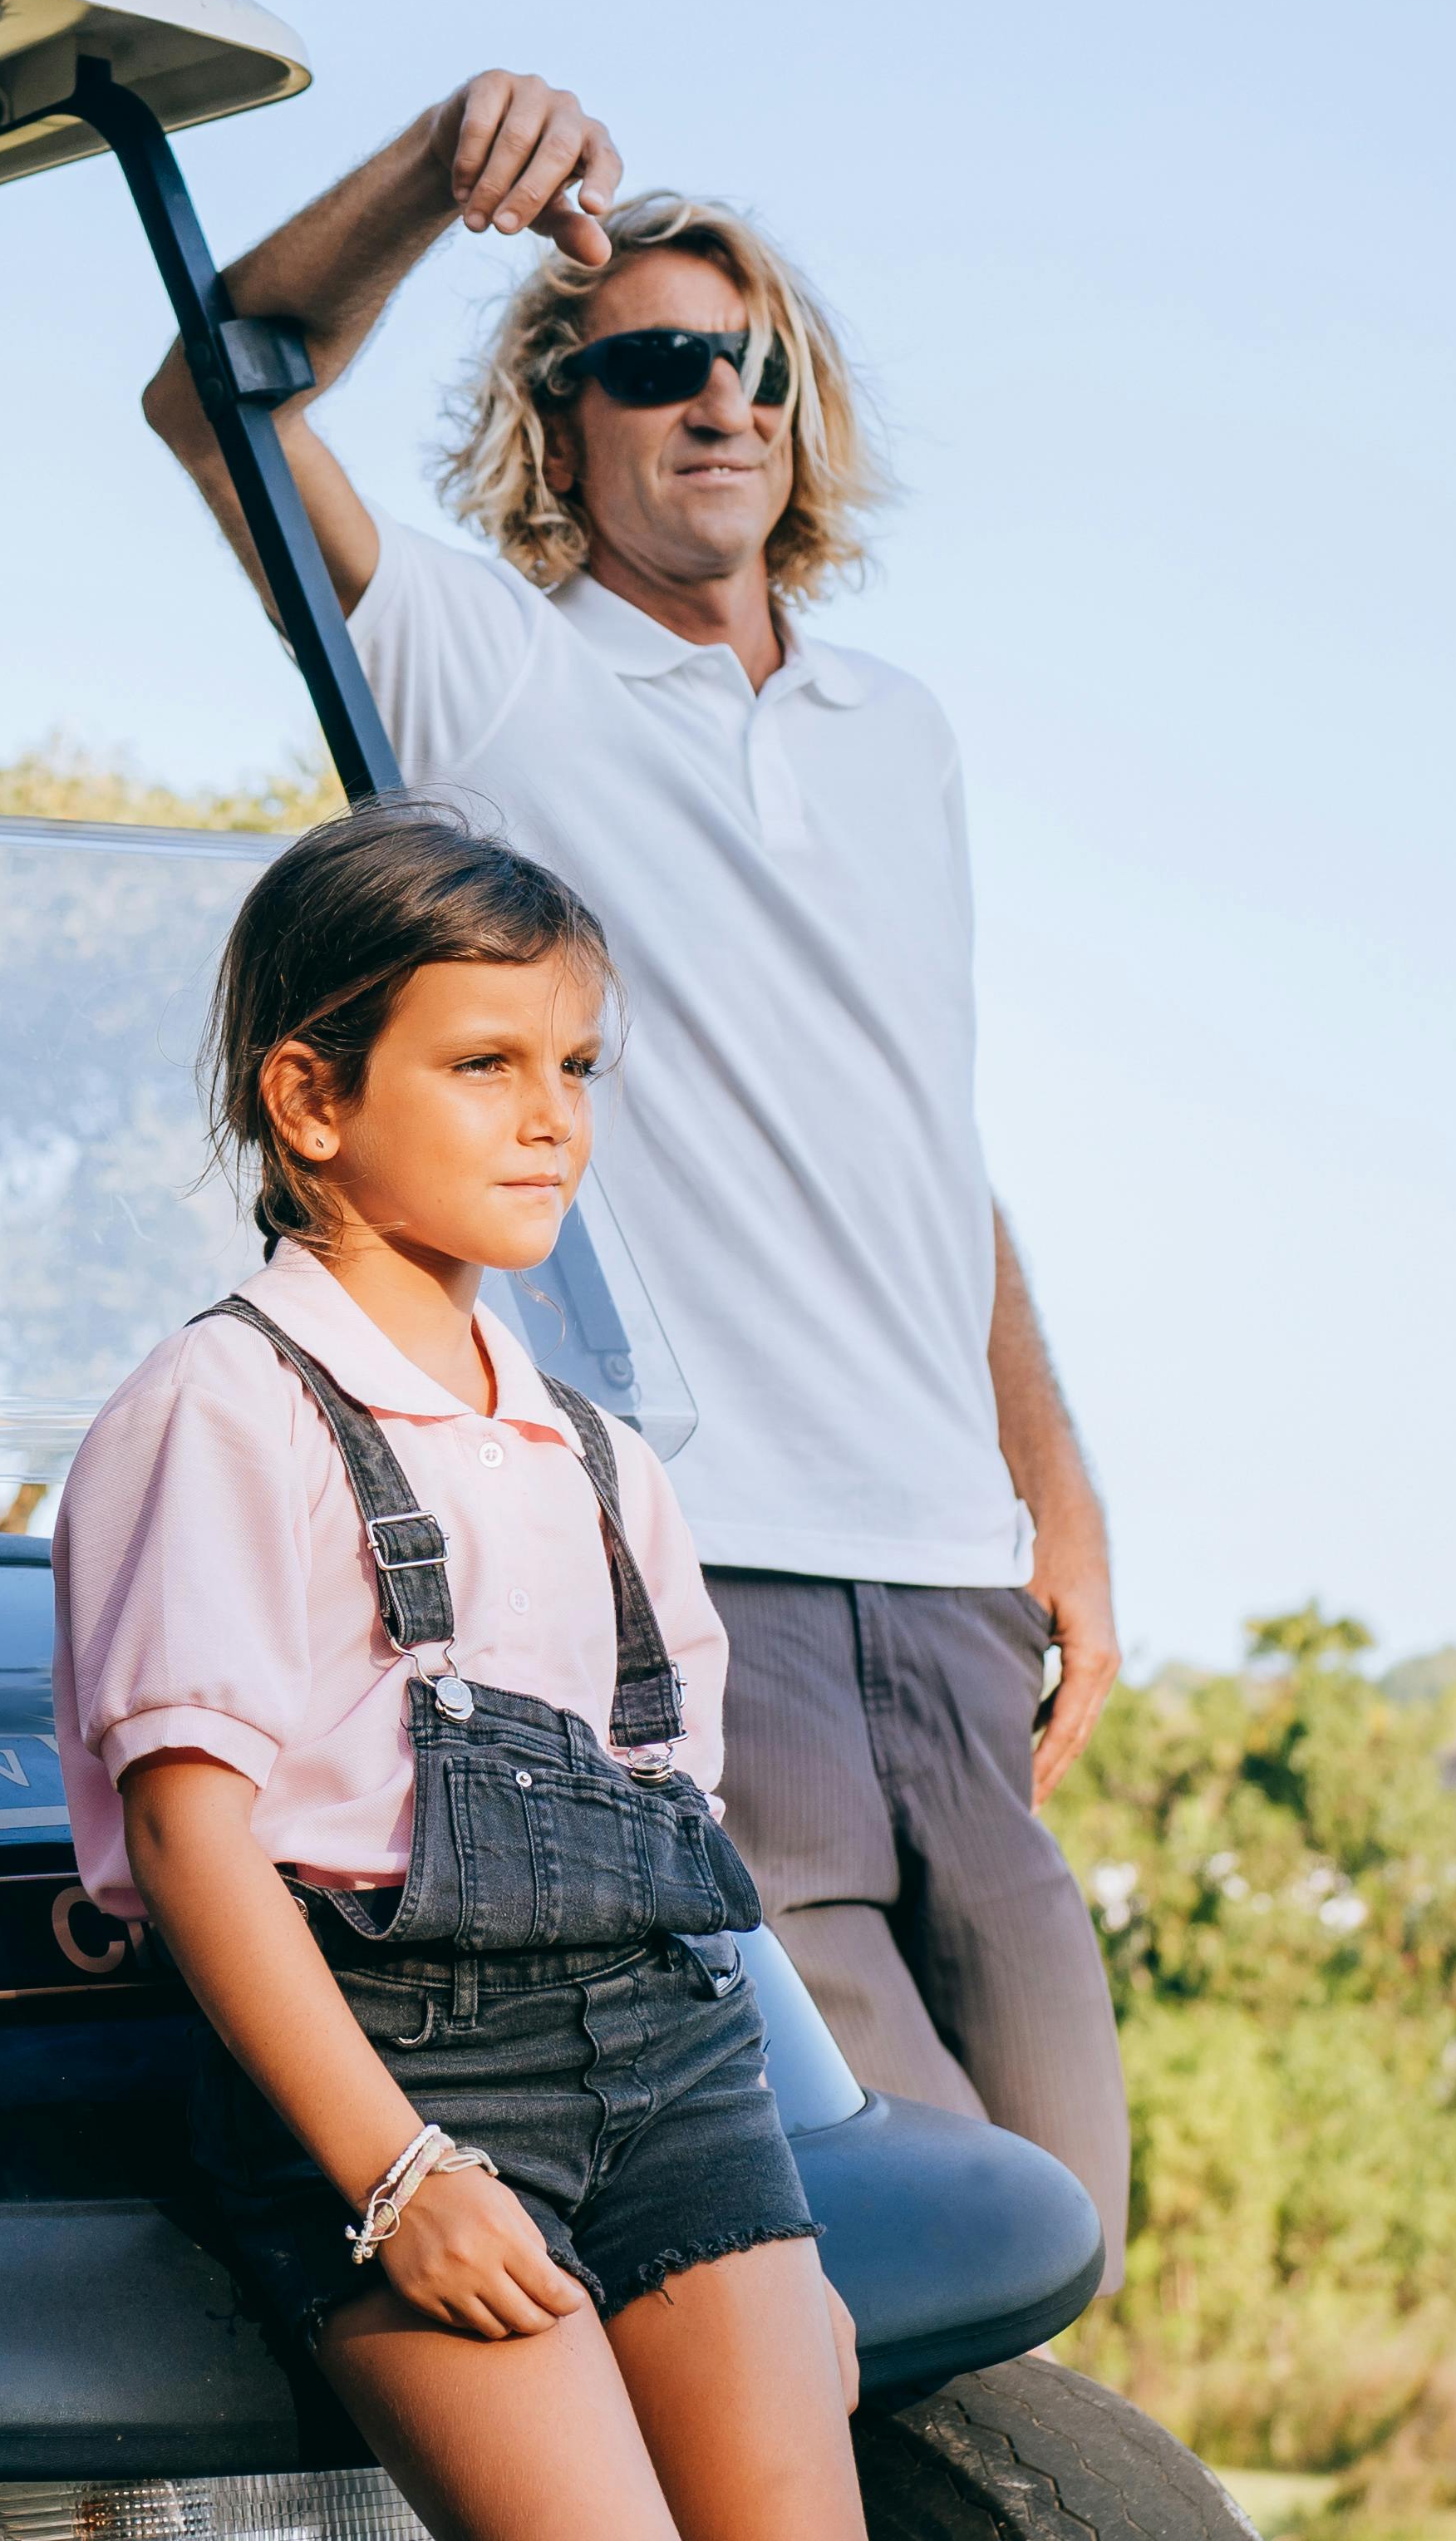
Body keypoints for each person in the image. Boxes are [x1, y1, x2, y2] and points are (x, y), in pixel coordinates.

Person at [135, 76, 1131, 2280]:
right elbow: (212, 388)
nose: (716, 398)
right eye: (653, 362)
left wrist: (1057, 1502)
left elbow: (924, 1142)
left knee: (1069, 2230)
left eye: (750, 358)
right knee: (931, 2261)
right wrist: (424, 173)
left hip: (957, 1597)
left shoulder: (906, 735)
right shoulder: (500, 682)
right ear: (557, 422)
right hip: (724, 1580)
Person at [59, 804, 860, 2541]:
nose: (552, 1112)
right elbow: (198, 1840)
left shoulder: (595, 1451)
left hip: (675, 2063)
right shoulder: (225, 1405)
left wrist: (776, 2240)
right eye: (484, 1060)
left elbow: (674, 1827)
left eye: (576, 1060)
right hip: (406, 2067)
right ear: (312, 1098)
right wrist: (396, 2172)